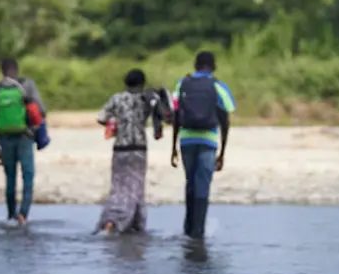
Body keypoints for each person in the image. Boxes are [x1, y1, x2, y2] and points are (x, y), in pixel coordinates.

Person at [94, 68, 169, 235]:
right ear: (142, 83)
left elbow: (101, 118)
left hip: (120, 147)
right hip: (139, 148)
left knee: (118, 187)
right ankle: (135, 224)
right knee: (136, 187)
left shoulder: (116, 98)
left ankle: (111, 221)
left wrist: (116, 125)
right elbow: (164, 115)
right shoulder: (146, 99)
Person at [171, 51, 236, 240]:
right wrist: (222, 152)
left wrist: (173, 147)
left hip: (186, 140)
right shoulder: (218, 86)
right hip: (208, 141)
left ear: (195, 65)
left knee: (190, 182)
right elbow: (225, 119)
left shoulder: (181, 84)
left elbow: (176, 116)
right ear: (213, 66)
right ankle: (198, 233)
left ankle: (187, 229)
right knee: (202, 185)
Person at [0, 57, 46, 227]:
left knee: (10, 178)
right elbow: (41, 110)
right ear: (17, 68)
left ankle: (10, 216)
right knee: (28, 175)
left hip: (4, 138)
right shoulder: (27, 85)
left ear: (2, 70)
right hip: (25, 136)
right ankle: (23, 215)